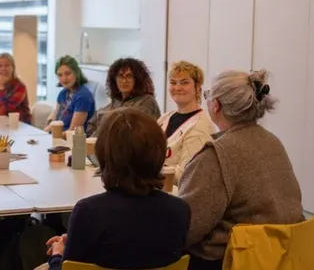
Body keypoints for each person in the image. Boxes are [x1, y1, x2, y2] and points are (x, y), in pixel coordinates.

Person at [179, 70, 304, 270]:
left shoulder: (217, 155)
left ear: (216, 105)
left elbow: (186, 227)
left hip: (232, 260)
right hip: (282, 258)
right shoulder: (273, 142)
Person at [43, 108, 190, 270]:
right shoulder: (180, 210)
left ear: (104, 154)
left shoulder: (89, 212)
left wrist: (57, 255)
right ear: (160, 152)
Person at [157, 61, 215, 184]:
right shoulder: (164, 118)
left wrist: (151, 168)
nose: (177, 88)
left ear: (198, 86)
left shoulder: (200, 126)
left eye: (184, 82)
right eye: (173, 83)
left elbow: (187, 174)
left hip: (176, 197)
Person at [86, 57, 161, 137]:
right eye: (120, 76)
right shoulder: (114, 103)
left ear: (138, 79)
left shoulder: (147, 102)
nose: (124, 81)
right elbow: (91, 127)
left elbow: (130, 132)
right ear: (114, 80)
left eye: (129, 76)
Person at [44, 55, 95, 134]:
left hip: (73, 142)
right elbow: (54, 123)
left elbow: (72, 132)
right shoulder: (63, 93)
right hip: (58, 138)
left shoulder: (83, 96)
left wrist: (53, 135)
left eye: (68, 74)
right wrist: (43, 134)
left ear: (76, 73)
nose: (64, 78)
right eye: (60, 75)